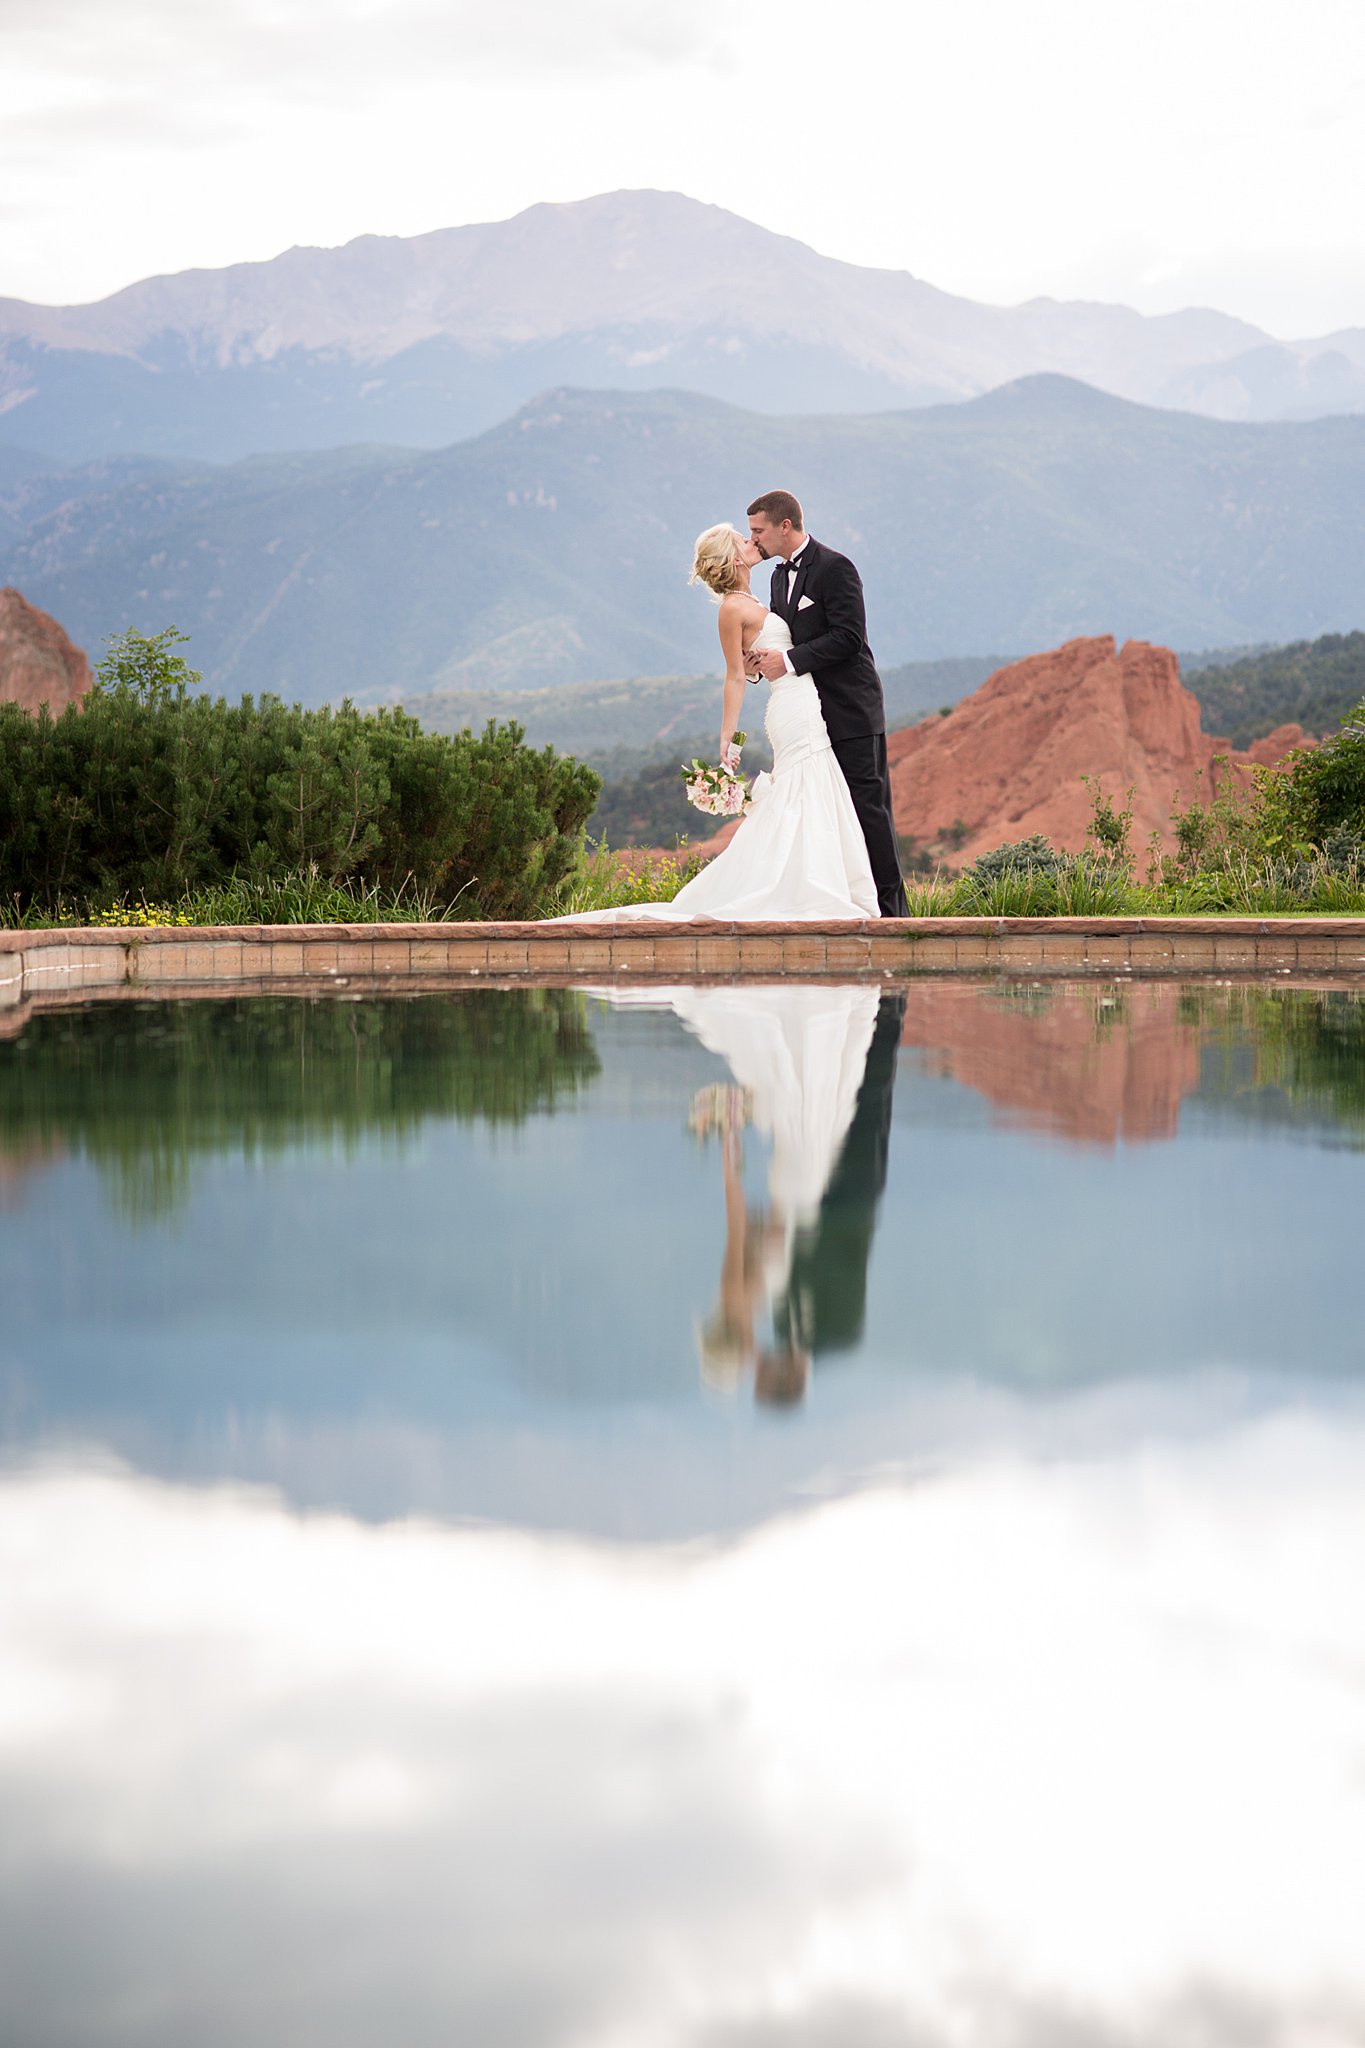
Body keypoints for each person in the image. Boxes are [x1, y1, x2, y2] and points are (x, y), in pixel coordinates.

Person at [551, 518, 881, 922]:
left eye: (752, 534)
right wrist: (728, 737)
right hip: (792, 708)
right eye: (743, 539)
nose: (751, 541)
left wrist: (760, 663)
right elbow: (734, 675)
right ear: (733, 557)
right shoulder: (731, 609)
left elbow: (761, 659)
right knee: (805, 784)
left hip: (809, 699)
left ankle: (813, 885)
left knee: (812, 786)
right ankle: (807, 891)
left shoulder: (761, 596)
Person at [746, 490, 909, 919]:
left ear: (785, 525)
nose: (754, 539)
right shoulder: (777, 578)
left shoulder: (837, 568)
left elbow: (849, 637)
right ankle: (848, 907)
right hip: (808, 719)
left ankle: (894, 916)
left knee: (868, 811)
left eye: (758, 530)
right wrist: (762, 663)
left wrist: (790, 660)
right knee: (826, 815)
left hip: (852, 710)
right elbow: (787, 640)